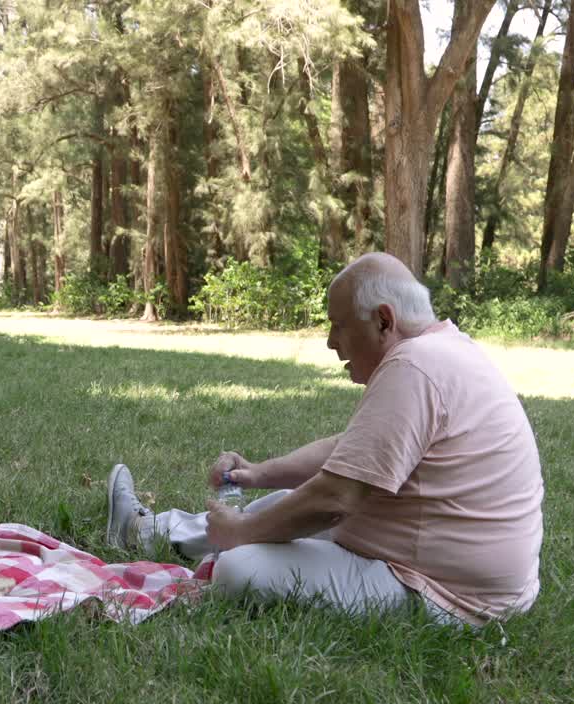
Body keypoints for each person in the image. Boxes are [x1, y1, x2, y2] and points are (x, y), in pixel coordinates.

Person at [105, 252, 544, 626]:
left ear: (384, 320)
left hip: (446, 595)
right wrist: (257, 474)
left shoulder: (415, 367)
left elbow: (336, 498)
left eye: (338, 325)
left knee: (240, 568)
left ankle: (192, 544)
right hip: (447, 570)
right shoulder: (442, 349)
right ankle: (145, 533)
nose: (331, 342)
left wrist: (242, 534)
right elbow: (349, 451)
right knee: (279, 505)